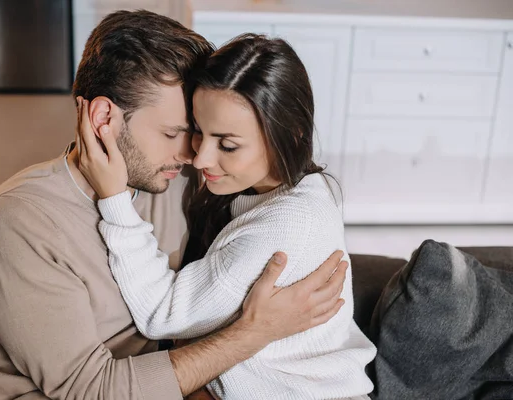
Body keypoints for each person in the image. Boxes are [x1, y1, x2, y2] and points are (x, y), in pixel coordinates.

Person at [0, 11, 348, 400]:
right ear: (103, 120)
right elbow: (91, 391)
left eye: (198, 131)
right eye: (175, 133)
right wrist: (255, 333)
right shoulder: (21, 221)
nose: (194, 156)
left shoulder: (176, 181)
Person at [75, 34, 377, 399]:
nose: (200, 159)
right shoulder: (311, 187)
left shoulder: (280, 231)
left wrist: (114, 198)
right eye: (199, 132)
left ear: (291, 135)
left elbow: (159, 312)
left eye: (228, 145)